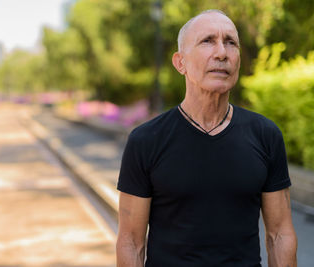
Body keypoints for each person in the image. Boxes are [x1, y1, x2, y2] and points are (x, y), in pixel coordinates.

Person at [116, 9, 297, 267]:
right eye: (207, 41)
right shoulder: (146, 140)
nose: (222, 53)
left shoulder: (266, 135)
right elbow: (131, 243)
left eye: (230, 42)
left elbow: (280, 234)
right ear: (180, 63)